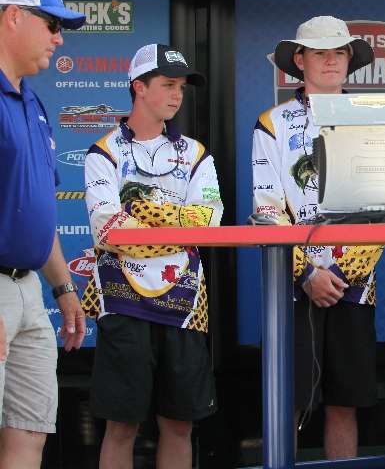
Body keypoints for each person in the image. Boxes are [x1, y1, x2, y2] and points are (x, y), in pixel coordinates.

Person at [82, 43, 222, 469]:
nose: (177, 95)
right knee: (121, 425)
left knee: (179, 424)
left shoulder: (197, 154)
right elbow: (107, 229)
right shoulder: (103, 151)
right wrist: (175, 222)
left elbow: (210, 221)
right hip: (124, 302)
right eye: (167, 85)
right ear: (138, 87)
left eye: (181, 86)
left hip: (183, 303)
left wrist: (141, 212)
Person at [252, 16, 381, 459]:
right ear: (300, 61)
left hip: (355, 281)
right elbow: (266, 208)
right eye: (321, 52)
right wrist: (305, 271)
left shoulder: (373, 119)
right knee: (288, 402)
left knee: (344, 403)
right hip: (294, 281)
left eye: (340, 52)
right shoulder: (272, 122)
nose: (331, 61)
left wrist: (343, 269)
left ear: (350, 60)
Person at [0, 0, 86, 467]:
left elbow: (38, 208)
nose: (58, 38)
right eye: (51, 23)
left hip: (31, 290)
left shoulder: (33, 101)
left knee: (29, 432)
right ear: (13, 16)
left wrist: (63, 287)